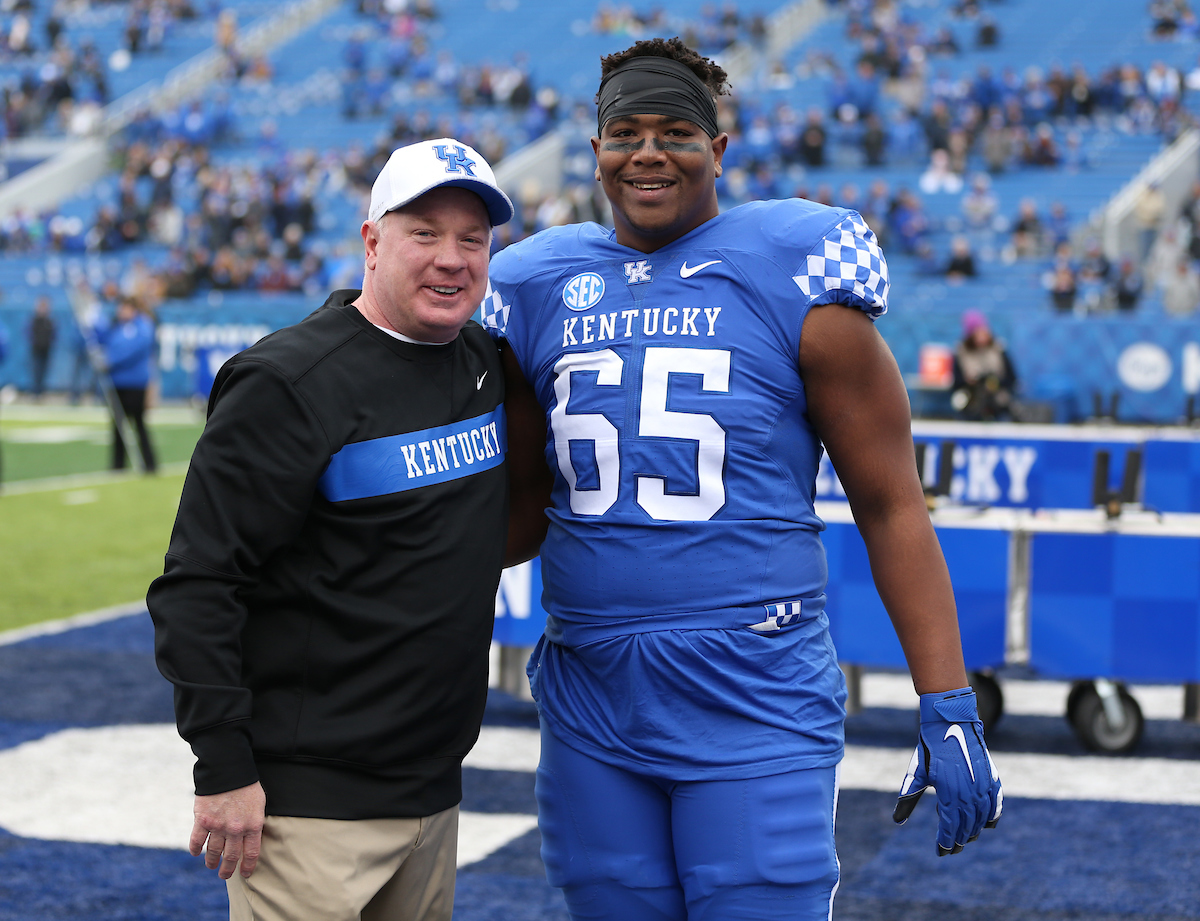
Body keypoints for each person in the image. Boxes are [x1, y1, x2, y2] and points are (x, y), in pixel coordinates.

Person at [485, 37, 1002, 921]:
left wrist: (946, 694)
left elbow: (889, 502)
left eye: (677, 131)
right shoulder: (535, 283)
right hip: (590, 684)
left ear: (718, 150)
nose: (648, 153)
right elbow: (519, 511)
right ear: (597, 149)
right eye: (626, 133)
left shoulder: (791, 271)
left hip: (753, 680)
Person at [147, 138, 515, 921]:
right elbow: (199, 584)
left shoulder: (481, 359)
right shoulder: (287, 384)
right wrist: (221, 766)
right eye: (424, 233)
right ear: (371, 240)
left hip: (435, 791)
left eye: (472, 239)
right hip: (307, 810)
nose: (452, 259)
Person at [94, 296, 158, 472]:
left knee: (138, 423)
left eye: (125, 308)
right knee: (117, 426)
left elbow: (134, 349)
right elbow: (101, 339)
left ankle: (149, 464)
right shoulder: (116, 327)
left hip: (135, 383)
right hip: (117, 383)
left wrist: (110, 360)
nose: (121, 312)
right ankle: (118, 465)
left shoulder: (143, 326)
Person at [951, 310, 1017, 421]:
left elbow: (1011, 378)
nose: (981, 335)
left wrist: (995, 382)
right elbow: (956, 383)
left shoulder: (998, 350)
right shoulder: (961, 353)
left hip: (997, 399)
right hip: (971, 400)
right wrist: (969, 382)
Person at [27, 296, 55, 400]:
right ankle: (35, 392)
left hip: (46, 350)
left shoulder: (50, 321)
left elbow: (54, 335)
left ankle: (41, 391)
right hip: (36, 349)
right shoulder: (34, 320)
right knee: (36, 371)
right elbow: (29, 333)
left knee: (44, 371)